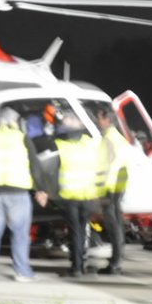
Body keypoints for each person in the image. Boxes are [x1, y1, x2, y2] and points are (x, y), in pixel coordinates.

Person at [0, 107, 44, 281]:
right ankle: (22, 272)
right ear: (14, 121)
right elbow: (35, 166)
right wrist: (40, 189)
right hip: (17, 191)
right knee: (20, 233)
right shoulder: (21, 137)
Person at [51, 111, 102, 278]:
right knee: (82, 230)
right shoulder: (92, 144)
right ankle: (82, 263)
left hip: (70, 195)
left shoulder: (60, 145)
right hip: (88, 195)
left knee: (75, 232)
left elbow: (54, 171)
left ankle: (77, 266)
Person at [92, 108, 132, 275]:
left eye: (99, 118)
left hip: (111, 189)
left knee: (113, 225)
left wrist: (105, 188)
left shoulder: (110, 138)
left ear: (107, 120)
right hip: (116, 187)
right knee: (116, 225)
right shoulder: (116, 137)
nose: (96, 120)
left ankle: (115, 263)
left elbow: (113, 164)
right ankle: (117, 258)